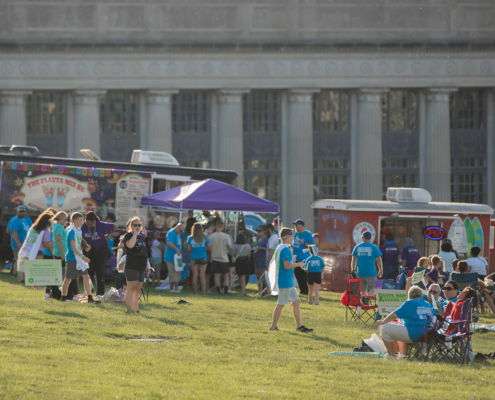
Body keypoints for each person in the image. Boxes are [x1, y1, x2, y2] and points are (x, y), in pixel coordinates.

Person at [269, 227, 313, 333]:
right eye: (292, 235)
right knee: (280, 304)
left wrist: (292, 260)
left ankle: (299, 326)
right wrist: (298, 264)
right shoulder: (285, 249)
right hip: (285, 282)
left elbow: (285, 263)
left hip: (287, 281)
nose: (293, 237)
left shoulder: (281, 247)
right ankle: (273, 327)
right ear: (287, 237)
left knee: (296, 302)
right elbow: (286, 266)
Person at [376, 286, 432, 359]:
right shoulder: (427, 304)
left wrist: (383, 322)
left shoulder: (410, 302)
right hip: (427, 334)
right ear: (421, 296)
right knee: (399, 325)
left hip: (415, 334)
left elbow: (393, 315)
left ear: (409, 296)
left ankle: (391, 356)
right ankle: (402, 355)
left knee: (385, 328)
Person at [60, 213, 99, 303]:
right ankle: (63, 298)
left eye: (83, 219)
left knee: (86, 277)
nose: (83, 222)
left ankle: (90, 298)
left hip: (79, 258)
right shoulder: (71, 231)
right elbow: (73, 248)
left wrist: (86, 246)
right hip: (72, 258)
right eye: (81, 220)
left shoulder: (79, 231)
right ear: (74, 221)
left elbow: (79, 245)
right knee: (68, 279)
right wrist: (83, 257)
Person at [82, 211, 117, 296]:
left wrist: (107, 236)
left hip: (101, 250)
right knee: (90, 272)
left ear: (94, 221)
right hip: (90, 251)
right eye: (87, 223)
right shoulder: (83, 225)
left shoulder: (100, 224)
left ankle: (100, 294)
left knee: (100, 272)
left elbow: (115, 227)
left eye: (90, 224)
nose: (88, 225)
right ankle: (89, 292)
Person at [122, 217, 149, 313]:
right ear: (131, 226)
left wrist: (147, 265)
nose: (137, 227)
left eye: (139, 225)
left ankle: (136, 310)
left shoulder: (141, 237)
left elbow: (144, 252)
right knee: (131, 288)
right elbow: (130, 245)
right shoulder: (128, 236)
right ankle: (129, 310)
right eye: (135, 225)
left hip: (141, 266)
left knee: (137, 289)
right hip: (132, 266)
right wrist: (134, 234)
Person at [351, 231, 383, 296]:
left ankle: (364, 304)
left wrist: (353, 270)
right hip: (371, 272)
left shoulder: (357, 247)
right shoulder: (374, 247)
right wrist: (381, 270)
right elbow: (379, 260)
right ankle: (367, 298)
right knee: (375, 287)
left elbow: (353, 260)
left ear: (363, 237)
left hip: (360, 272)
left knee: (363, 290)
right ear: (370, 238)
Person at [291, 219, 315, 295]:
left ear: (301, 225)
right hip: (296, 259)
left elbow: (312, 245)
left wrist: (303, 243)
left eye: (296, 225)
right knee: (298, 275)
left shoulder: (307, 234)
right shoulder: (296, 234)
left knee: (305, 276)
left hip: (304, 259)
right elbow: (292, 245)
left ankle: (307, 291)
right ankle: (302, 290)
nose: (295, 226)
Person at [10, 205, 33, 281]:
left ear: (25, 212)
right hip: (18, 245)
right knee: (20, 261)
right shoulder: (15, 221)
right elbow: (14, 233)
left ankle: (23, 277)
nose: (22, 213)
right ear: (17, 212)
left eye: (23, 211)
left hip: (25, 245)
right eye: (20, 211)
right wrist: (18, 243)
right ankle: (20, 279)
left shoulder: (25, 220)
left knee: (24, 261)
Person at [209, 220, 233, 294]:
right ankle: (225, 290)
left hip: (215, 257)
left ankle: (218, 290)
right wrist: (228, 251)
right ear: (223, 227)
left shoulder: (211, 236)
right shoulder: (226, 236)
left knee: (217, 275)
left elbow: (208, 246)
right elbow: (230, 246)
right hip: (224, 258)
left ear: (215, 227)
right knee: (226, 275)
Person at [187, 223, 211, 295]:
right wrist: (203, 248)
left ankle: (195, 292)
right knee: (202, 275)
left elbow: (188, 250)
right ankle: (204, 292)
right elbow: (210, 248)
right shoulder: (205, 237)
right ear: (201, 229)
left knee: (195, 275)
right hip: (203, 257)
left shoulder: (190, 238)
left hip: (193, 257)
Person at [164, 222, 184, 293]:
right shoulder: (171, 233)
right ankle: (171, 289)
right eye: (181, 231)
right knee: (172, 273)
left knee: (177, 272)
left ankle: (176, 288)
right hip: (171, 257)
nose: (181, 232)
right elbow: (169, 243)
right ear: (177, 228)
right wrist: (177, 249)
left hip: (177, 257)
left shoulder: (177, 233)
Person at [253, 225, 268, 295]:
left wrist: (261, 248)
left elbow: (268, 249)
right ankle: (260, 291)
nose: (258, 232)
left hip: (262, 258)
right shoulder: (257, 239)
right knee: (258, 276)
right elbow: (254, 246)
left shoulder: (266, 239)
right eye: (257, 230)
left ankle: (267, 290)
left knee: (263, 276)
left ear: (264, 231)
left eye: (260, 231)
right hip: (256, 257)